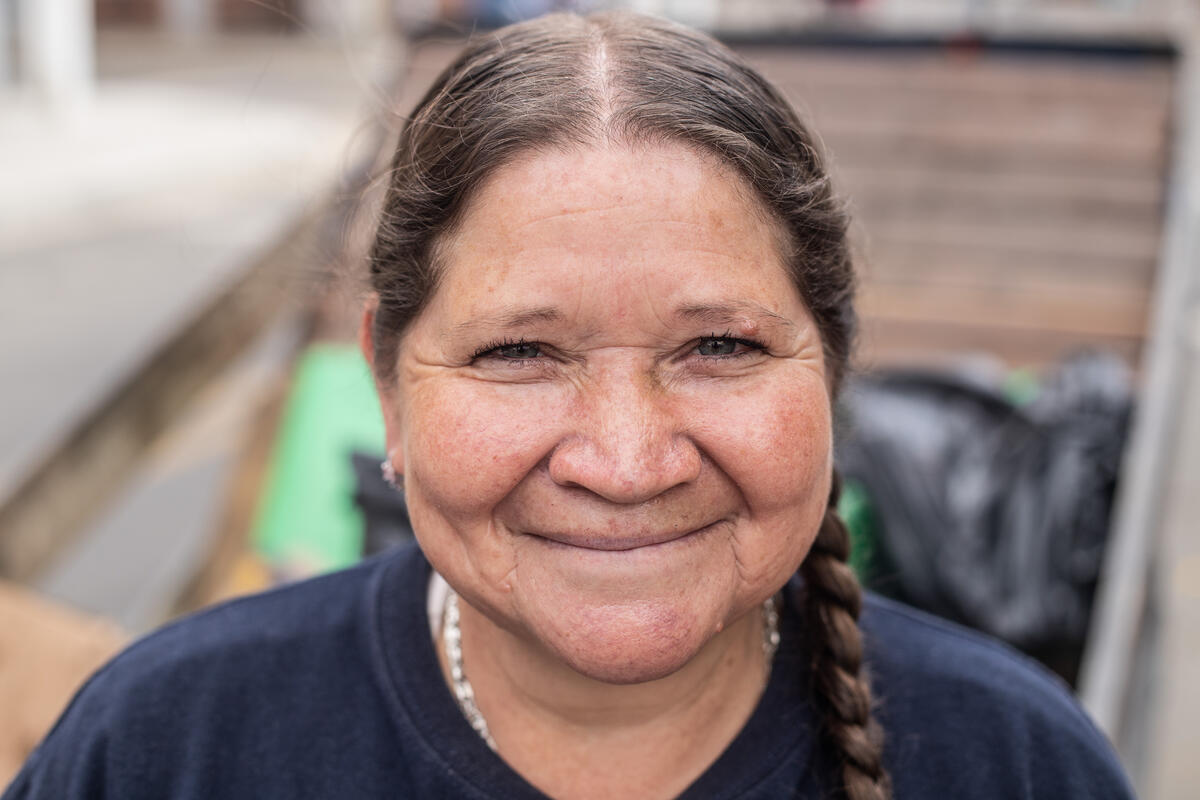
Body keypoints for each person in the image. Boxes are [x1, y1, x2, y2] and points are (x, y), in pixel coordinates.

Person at [4, 12, 1133, 800]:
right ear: (389, 387)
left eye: (720, 345)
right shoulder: (167, 746)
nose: (627, 458)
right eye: (521, 352)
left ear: (830, 372)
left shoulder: (1016, 761)